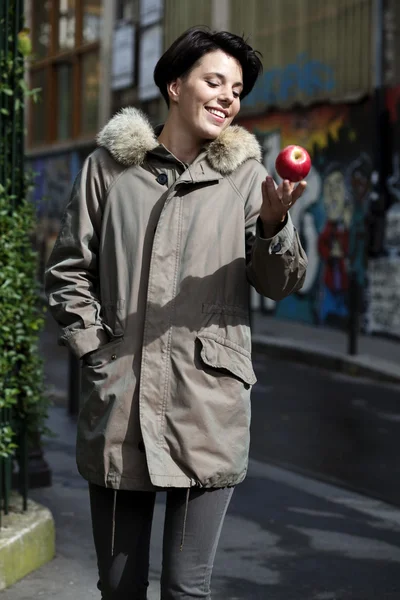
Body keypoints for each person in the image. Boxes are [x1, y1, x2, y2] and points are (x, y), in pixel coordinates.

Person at [45, 26, 308, 600]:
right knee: (119, 588)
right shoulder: (109, 169)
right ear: (174, 85)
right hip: (121, 401)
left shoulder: (245, 179)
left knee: (189, 590)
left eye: (237, 89)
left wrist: (272, 226)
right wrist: (96, 350)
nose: (227, 97)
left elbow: (279, 283)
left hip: (207, 404)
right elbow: (68, 269)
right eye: (214, 81)